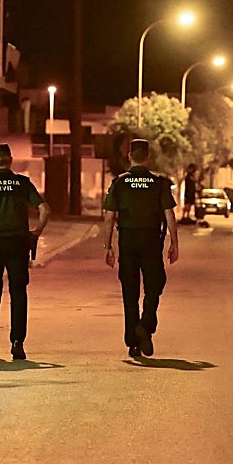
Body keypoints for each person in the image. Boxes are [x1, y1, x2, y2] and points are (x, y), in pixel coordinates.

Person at [0, 144, 50, 360]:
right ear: (10, 159)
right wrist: (36, 233)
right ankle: (17, 343)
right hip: (18, 244)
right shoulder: (22, 183)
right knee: (18, 293)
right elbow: (44, 210)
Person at [102, 139, 179, 359]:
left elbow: (109, 218)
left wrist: (108, 247)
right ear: (148, 157)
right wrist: (174, 243)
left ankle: (133, 342)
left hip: (127, 240)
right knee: (155, 284)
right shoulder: (158, 183)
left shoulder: (119, 183)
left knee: (130, 291)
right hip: (151, 240)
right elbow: (169, 214)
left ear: (130, 157)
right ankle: (145, 325)